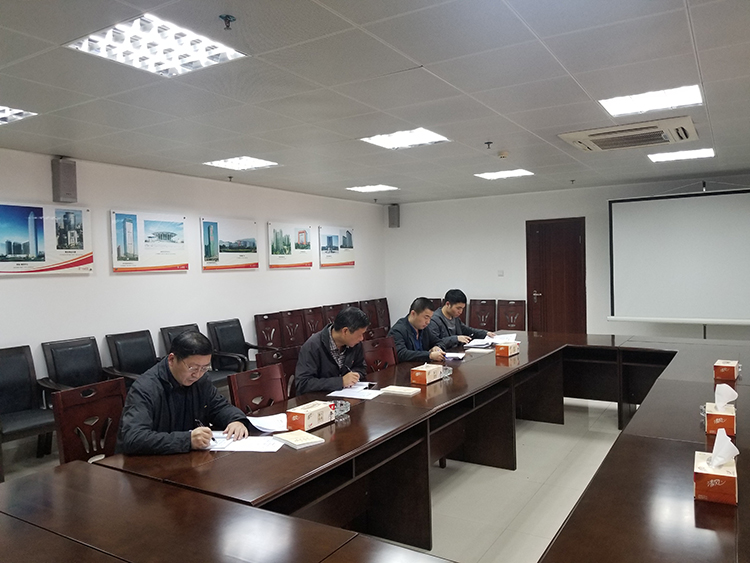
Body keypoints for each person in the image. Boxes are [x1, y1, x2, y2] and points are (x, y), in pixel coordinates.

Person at [116, 331, 250, 455]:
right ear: (172, 359)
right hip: (146, 464)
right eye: (192, 367)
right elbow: (133, 438)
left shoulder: (201, 380)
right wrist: (187, 440)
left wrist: (236, 420)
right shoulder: (145, 388)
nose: (197, 374)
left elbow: (219, 407)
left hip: (185, 458)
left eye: (204, 368)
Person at [295, 307, 369, 395]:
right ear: (345, 331)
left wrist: (355, 375)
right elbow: (303, 383)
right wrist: (340, 382)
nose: (361, 338)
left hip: (348, 395)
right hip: (319, 399)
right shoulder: (312, 346)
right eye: (360, 334)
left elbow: (361, 367)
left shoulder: (354, 344)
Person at [429, 289, 495, 348]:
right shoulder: (434, 320)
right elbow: (434, 342)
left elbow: (467, 330)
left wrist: (485, 333)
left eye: (462, 308)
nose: (460, 312)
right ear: (448, 304)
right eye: (458, 308)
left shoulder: (455, 317)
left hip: (456, 352)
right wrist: (456, 339)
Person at [388, 297, 446, 363]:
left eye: (430, 318)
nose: (428, 322)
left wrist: (437, 347)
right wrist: (429, 355)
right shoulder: (398, 330)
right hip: (405, 368)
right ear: (413, 314)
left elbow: (439, 341)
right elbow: (401, 354)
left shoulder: (424, 329)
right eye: (426, 317)